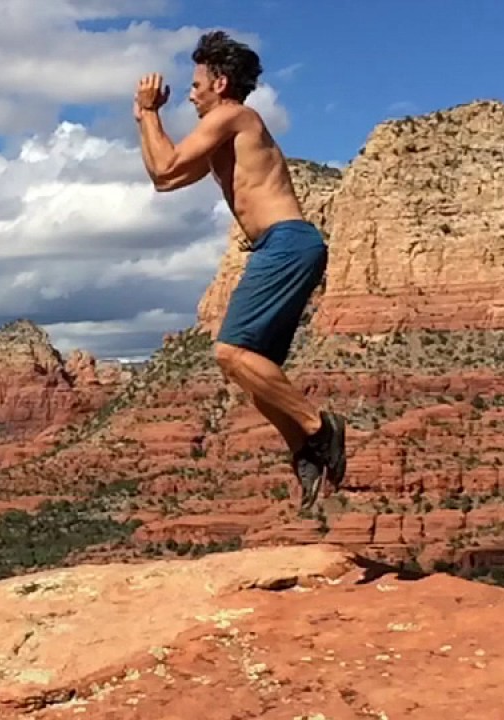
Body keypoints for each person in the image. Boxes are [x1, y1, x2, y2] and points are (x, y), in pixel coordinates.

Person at [133, 30, 347, 510]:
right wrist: (144, 119)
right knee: (253, 372)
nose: (189, 93)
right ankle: (306, 452)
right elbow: (163, 178)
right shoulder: (224, 132)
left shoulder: (233, 116)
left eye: (196, 84)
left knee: (230, 353)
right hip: (284, 246)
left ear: (220, 82)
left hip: (285, 243)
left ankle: (319, 428)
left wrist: (150, 111)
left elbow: (165, 166)